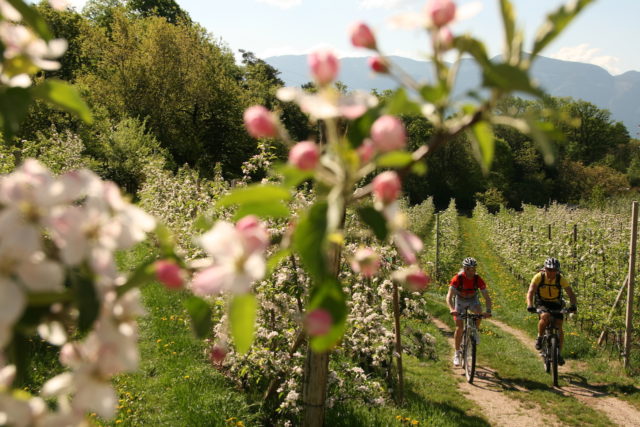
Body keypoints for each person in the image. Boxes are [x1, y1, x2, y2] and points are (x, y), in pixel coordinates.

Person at [526, 257, 577, 365]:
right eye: (549, 270)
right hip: (542, 302)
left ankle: (558, 353)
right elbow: (530, 292)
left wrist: (573, 305)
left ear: (557, 271)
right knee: (544, 316)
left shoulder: (560, 278)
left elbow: (570, 293)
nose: (552, 272)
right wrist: (530, 305)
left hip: (556, 303)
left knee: (559, 326)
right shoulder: (539, 277)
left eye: (554, 270)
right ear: (545, 269)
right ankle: (540, 338)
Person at [447, 257, 492, 367]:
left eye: (473, 269)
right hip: (460, 301)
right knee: (459, 327)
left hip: (472, 300)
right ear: (464, 268)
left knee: (479, 312)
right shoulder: (457, 278)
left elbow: (487, 297)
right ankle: (457, 353)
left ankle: (474, 331)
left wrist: (488, 311)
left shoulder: (478, 279)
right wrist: (452, 309)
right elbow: (449, 296)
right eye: (469, 269)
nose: (471, 271)